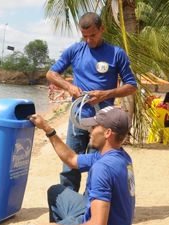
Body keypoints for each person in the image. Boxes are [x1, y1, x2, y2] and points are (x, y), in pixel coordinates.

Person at [14, 106, 135, 225]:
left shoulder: (103, 168)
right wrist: (48, 129)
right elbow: (72, 159)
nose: (90, 131)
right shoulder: (119, 155)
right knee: (56, 192)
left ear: (107, 133)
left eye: (94, 126)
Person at [46, 12, 137, 192]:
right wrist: (69, 87)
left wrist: (106, 94)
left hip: (103, 124)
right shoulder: (75, 50)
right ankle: (68, 205)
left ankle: (91, 206)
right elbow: (51, 74)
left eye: (93, 35)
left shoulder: (116, 54)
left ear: (102, 29)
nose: (89, 40)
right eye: (84, 36)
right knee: (70, 166)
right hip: (78, 120)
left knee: (98, 166)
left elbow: (131, 86)